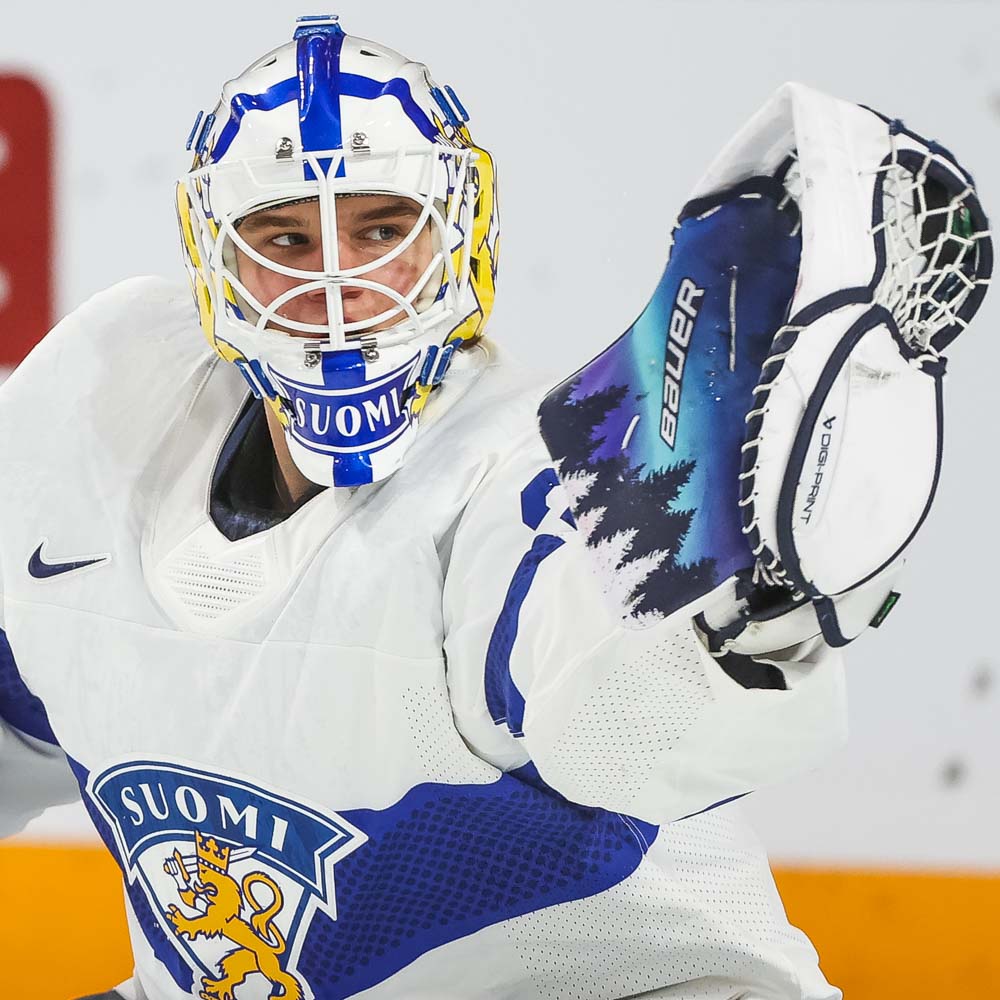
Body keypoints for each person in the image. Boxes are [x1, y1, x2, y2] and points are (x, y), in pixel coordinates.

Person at [0, 16, 854, 1000]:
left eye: (380, 231)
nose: (336, 287)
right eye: (285, 238)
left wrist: (728, 609)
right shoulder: (110, 402)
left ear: (455, 235)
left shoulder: (523, 475)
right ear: (217, 261)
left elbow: (629, 734)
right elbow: (29, 708)